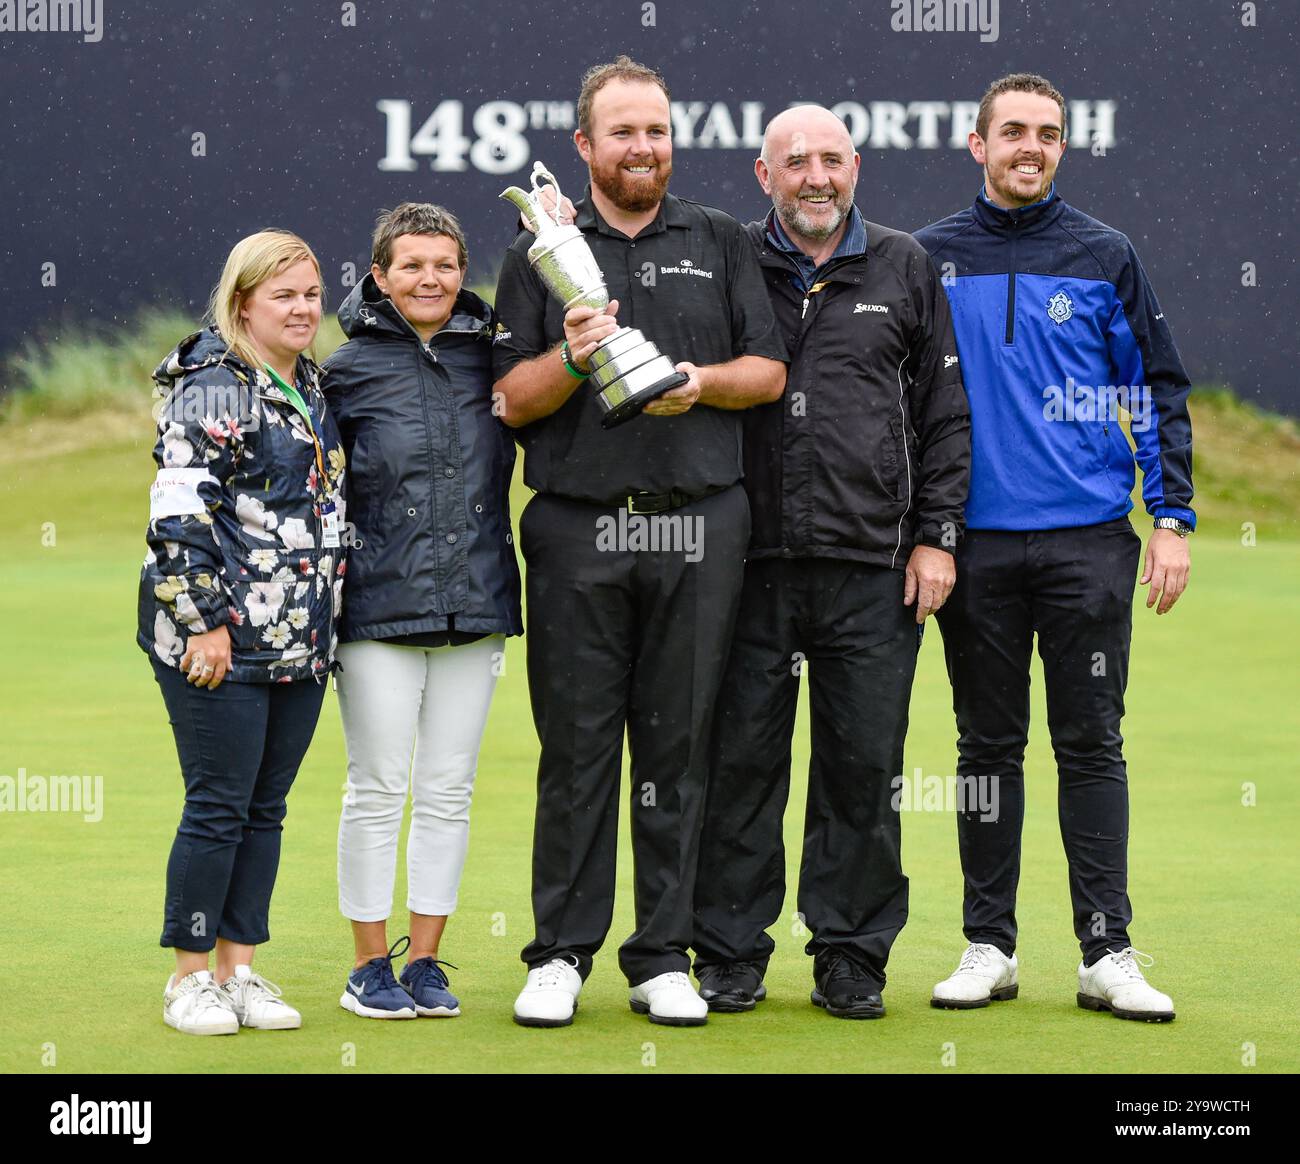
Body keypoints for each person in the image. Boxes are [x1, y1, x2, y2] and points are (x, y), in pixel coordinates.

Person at [492, 56, 787, 1028]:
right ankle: (559, 953)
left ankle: (661, 954)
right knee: (575, 750)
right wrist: (574, 358)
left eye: (656, 131)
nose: (642, 147)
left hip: (702, 521)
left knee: (679, 746)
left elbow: (768, 374)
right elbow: (509, 398)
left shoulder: (722, 239)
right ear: (583, 146)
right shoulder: (540, 247)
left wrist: (698, 384)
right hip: (578, 524)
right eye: (621, 132)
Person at [914, 73, 1194, 1021]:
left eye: (1049, 134)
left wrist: (1175, 517)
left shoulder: (1105, 253)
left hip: (1088, 546)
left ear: (1061, 147)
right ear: (978, 142)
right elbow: (904, 408)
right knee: (985, 747)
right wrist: (925, 531)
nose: (1031, 147)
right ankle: (989, 944)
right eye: (1014, 133)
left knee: (1091, 745)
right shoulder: (930, 256)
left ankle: (1105, 949)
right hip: (975, 550)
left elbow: (1156, 387)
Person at [691, 105, 971, 1019]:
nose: (817, 176)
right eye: (796, 161)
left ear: (857, 169)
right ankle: (729, 951)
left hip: (872, 565)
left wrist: (937, 536)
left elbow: (945, 414)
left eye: (832, 161)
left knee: (861, 768)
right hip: (746, 563)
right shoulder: (732, 258)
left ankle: (850, 953)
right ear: (760, 173)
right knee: (740, 766)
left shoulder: (905, 263)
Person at [138, 229, 347, 1035]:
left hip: (299, 638)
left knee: (267, 806)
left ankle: (239, 969)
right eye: (283, 295)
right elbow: (178, 509)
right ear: (242, 304)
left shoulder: (311, 384)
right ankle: (189, 978)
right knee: (220, 804)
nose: (302, 308)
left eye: (310, 292)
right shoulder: (215, 387)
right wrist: (206, 624)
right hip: (216, 635)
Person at [322, 203, 522, 1020]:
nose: (430, 279)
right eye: (411, 266)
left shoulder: (497, 359)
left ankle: (427, 962)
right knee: (377, 786)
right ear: (379, 276)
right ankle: (369, 966)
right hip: (376, 607)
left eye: (444, 265)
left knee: (448, 789)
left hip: (475, 604)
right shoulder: (342, 371)